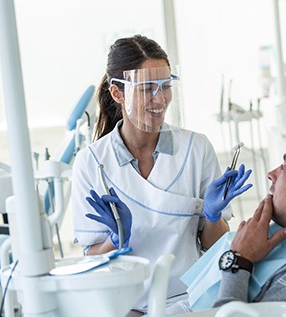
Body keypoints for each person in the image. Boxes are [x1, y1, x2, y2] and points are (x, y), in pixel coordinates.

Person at [71, 34, 252, 315]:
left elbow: (214, 244)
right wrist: (115, 241)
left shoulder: (196, 148)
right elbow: (90, 260)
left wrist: (214, 217)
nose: (160, 98)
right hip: (126, 304)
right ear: (117, 93)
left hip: (192, 300)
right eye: (146, 89)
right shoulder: (91, 163)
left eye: (165, 86)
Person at [172, 135, 286, 314]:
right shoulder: (283, 240)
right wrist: (212, 217)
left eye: (285, 167)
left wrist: (239, 261)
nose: (271, 174)